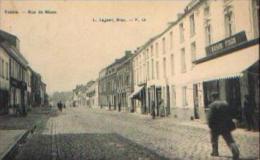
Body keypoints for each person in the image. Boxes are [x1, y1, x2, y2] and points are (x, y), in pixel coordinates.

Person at [207, 92, 239, 160]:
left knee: (214, 139)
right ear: (218, 96)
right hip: (225, 126)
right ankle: (236, 153)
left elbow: (210, 117)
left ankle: (215, 152)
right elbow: (230, 113)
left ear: (213, 97)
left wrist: (210, 125)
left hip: (215, 127)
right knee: (230, 140)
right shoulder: (225, 103)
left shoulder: (212, 105)